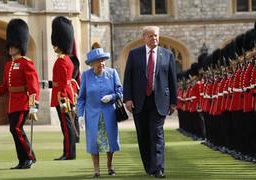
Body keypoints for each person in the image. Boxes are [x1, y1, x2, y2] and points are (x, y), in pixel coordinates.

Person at [0, 18, 39, 169]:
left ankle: (30, 157)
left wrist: (33, 106)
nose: (10, 48)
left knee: (16, 129)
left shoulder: (27, 63)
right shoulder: (9, 65)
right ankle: (22, 160)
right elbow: (5, 87)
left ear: (19, 46)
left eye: (13, 46)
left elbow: (33, 86)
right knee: (14, 130)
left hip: (23, 103)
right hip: (12, 103)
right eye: (10, 46)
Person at [123, 26, 177, 178]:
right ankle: (149, 167)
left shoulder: (168, 55)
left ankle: (158, 168)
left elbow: (172, 80)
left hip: (159, 101)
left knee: (157, 134)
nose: (154, 39)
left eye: (156, 36)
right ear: (144, 38)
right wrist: (127, 98)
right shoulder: (134, 54)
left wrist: (173, 102)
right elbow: (128, 79)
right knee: (143, 135)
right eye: (151, 36)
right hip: (139, 101)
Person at [77, 48, 122, 178]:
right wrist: (80, 115)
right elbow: (81, 98)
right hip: (92, 115)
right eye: (97, 61)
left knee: (110, 141)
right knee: (94, 142)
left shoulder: (112, 73)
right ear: (91, 63)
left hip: (109, 114)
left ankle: (110, 166)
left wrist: (111, 97)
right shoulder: (86, 75)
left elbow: (120, 91)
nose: (101, 63)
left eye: (102, 60)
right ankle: (96, 169)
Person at [50, 16, 76, 160]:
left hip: (63, 97)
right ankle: (68, 153)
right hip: (62, 95)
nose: (54, 46)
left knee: (66, 126)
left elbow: (65, 82)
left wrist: (62, 96)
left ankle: (69, 154)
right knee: (66, 125)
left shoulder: (62, 61)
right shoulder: (65, 59)